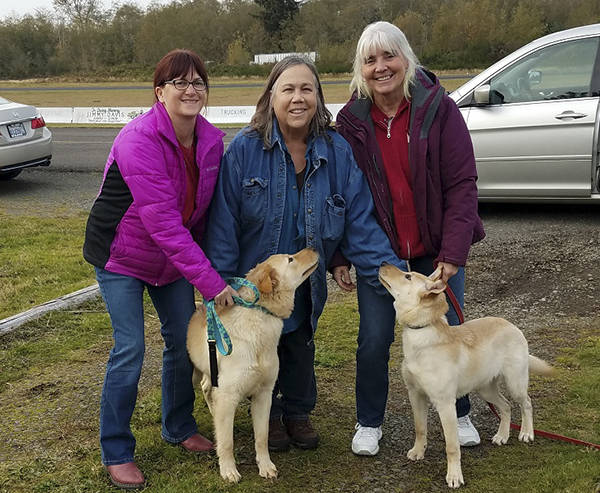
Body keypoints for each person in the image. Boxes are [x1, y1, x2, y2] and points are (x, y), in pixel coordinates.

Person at [203, 56, 403, 453]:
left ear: (318, 98)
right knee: (263, 343)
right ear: (271, 97)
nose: (298, 98)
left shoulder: (337, 151)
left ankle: (298, 410)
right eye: (288, 89)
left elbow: (358, 217)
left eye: (307, 89)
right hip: (256, 283)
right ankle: (271, 414)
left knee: (299, 340)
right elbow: (223, 222)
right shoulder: (244, 149)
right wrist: (218, 280)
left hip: (303, 279)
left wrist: (390, 271)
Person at [83, 49, 238, 490]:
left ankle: (178, 424)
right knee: (130, 348)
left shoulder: (210, 140)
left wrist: (218, 267)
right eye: (179, 82)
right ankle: (116, 450)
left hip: (170, 260)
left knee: (178, 340)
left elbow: (205, 214)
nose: (191, 90)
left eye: (198, 82)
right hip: (121, 255)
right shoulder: (138, 139)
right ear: (159, 92)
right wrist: (209, 283)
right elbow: (166, 224)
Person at [334, 21, 485, 456]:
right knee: (374, 339)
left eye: (389, 56)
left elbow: (462, 184)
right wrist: (341, 255)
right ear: (360, 69)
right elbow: (344, 194)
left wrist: (453, 253)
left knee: (449, 332)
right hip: (379, 258)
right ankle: (369, 422)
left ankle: (459, 412)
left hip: (436, 254)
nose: (381, 68)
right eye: (370, 60)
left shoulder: (440, 109)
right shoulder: (351, 121)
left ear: (406, 59)